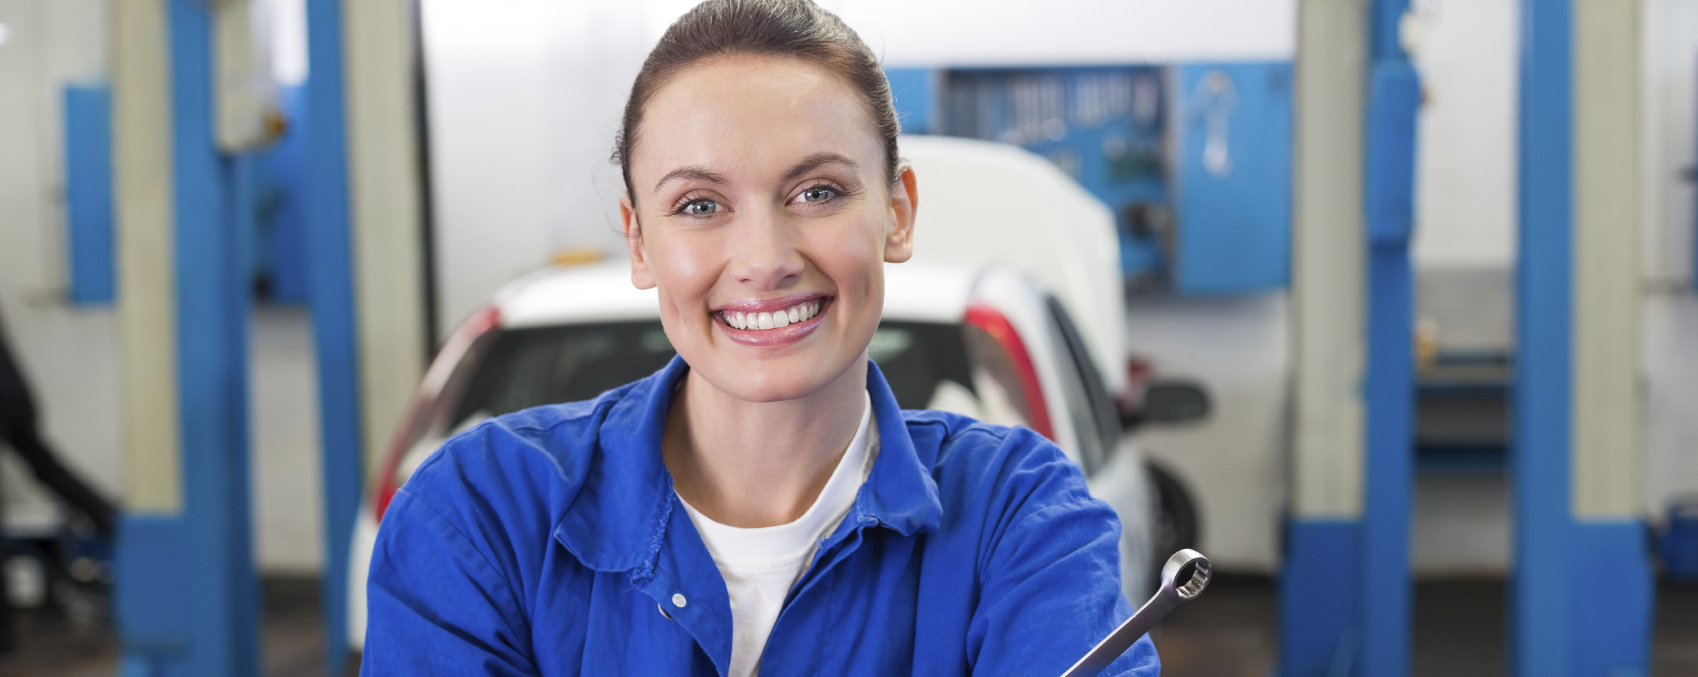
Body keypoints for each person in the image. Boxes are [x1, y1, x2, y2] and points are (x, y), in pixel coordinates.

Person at [361, 1, 1160, 674]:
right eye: (701, 205)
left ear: (898, 211)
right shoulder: (480, 512)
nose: (766, 261)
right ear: (640, 243)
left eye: (817, 191)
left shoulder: (1018, 518)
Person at [0, 305, 118, 653]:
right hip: (16, 394)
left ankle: (3, 638)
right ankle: (115, 522)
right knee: (46, 466)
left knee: (43, 466)